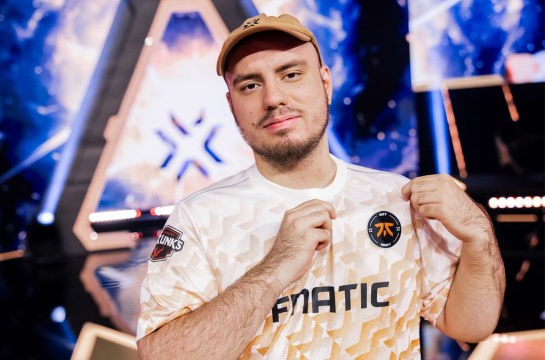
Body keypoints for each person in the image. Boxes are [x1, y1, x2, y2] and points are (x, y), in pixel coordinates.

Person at [136, 13, 505, 359]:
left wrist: (477, 232)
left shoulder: (397, 198)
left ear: (325, 83)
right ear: (232, 105)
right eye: (251, 85)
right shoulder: (200, 217)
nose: (274, 98)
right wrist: (276, 267)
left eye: (291, 74)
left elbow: (471, 325)